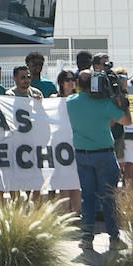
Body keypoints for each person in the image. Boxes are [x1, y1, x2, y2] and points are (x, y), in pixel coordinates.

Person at [68, 67, 132, 252]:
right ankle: (114, 238)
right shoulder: (105, 104)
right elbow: (127, 121)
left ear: (79, 84)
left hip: (82, 155)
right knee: (108, 198)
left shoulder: (71, 102)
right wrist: (122, 103)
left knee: (88, 198)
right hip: (104, 155)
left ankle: (86, 238)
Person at [53, 69, 81, 213]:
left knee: (76, 183)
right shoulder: (53, 99)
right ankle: (64, 217)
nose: (71, 82)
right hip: (60, 145)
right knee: (63, 183)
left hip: (77, 144)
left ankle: (76, 216)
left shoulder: (79, 99)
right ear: (61, 83)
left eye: (73, 79)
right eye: (67, 80)